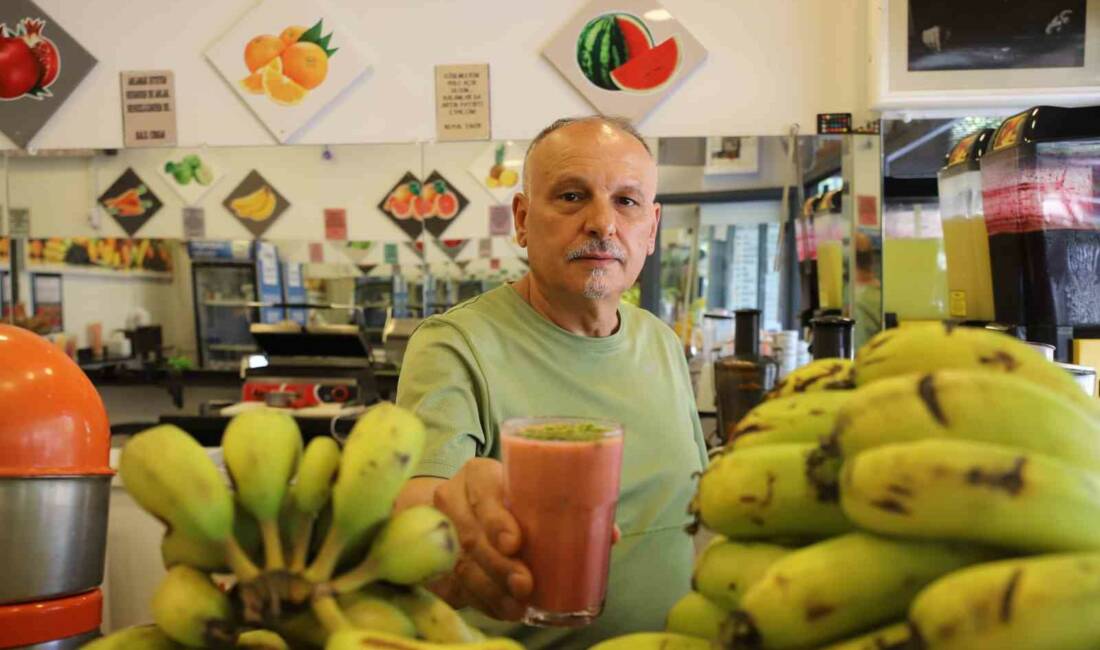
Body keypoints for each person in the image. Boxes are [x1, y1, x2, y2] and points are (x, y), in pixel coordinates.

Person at [394, 116, 708, 648]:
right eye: (571, 195)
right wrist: (460, 527)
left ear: (651, 228)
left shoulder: (662, 342)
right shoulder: (454, 344)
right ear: (521, 219)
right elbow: (421, 508)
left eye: (627, 202)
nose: (603, 224)